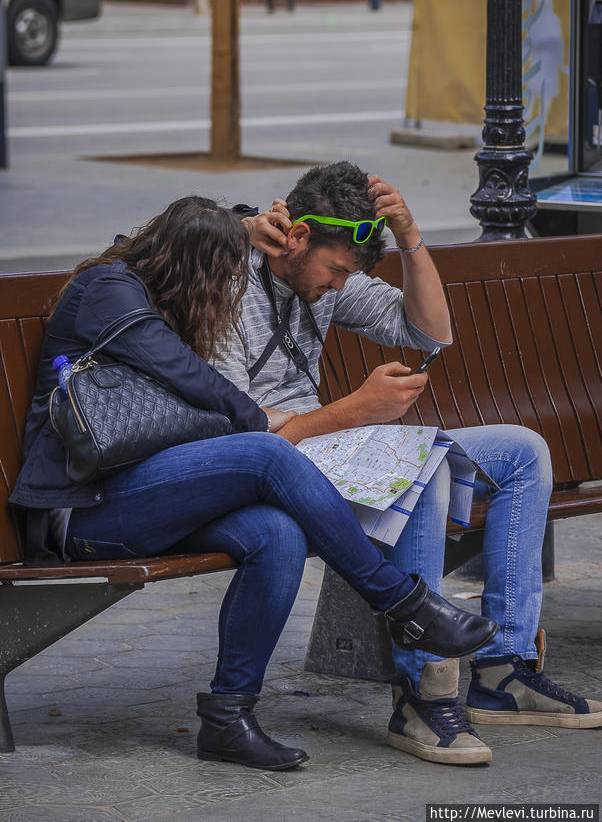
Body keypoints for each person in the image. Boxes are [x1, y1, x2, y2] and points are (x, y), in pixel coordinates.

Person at [9, 195, 498, 772]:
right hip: (84, 508)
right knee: (266, 454)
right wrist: (269, 420)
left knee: (275, 532)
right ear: (188, 264)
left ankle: (227, 718)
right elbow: (186, 374)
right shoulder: (109, 292)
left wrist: (241, 228)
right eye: (220, 276)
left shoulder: (155, 278)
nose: (225, 292)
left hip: (149, 489)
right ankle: (401, 602)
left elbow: (179, 244)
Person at [214, 162, 602, 766]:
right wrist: (356, 410)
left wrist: (411, 239)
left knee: (523, 451)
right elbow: (245, 436)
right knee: (421, 467)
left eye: (349, 274)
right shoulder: (224, 289)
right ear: (296, 238)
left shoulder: (327, 280)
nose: (341, 286)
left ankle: (504, 669)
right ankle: (424, 694)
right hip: (278, 464)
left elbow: (429, 332)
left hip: (334, 445)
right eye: (336, 270)